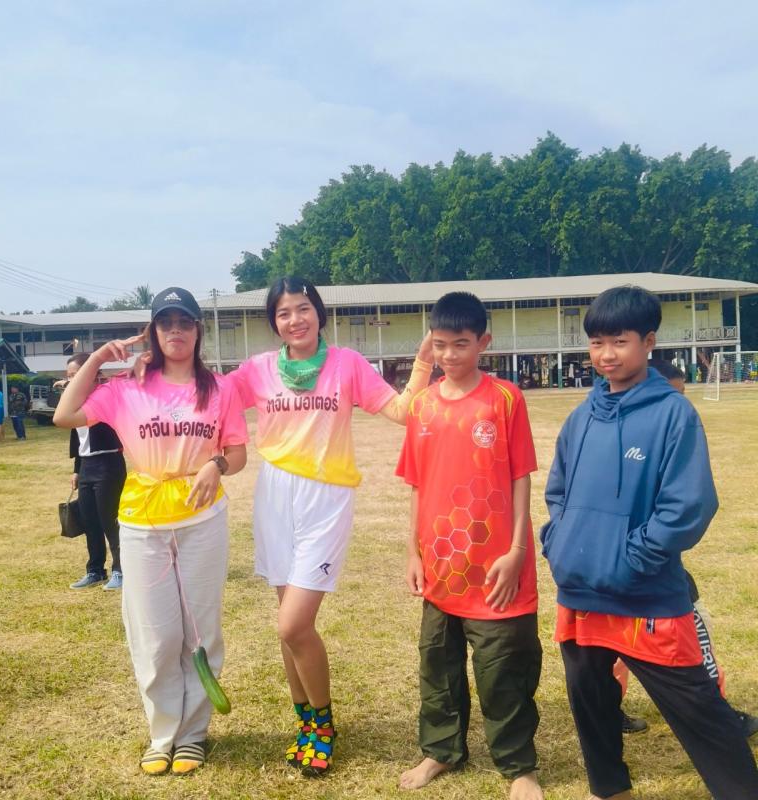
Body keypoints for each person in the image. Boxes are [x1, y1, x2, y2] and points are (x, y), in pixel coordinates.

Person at [541, 286, 758, 800]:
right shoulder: (581, 417)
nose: (606, 355)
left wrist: (630, 558)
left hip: (646, 594)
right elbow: (557, 492)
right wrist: (559, 541)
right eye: (597, 342)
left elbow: (688, 506)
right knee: (591, 702)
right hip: (581, 593)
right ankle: (608, 789)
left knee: (699, 708)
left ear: (649, 342)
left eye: (620, 341)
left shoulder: (673, 415)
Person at [226, 275, 435, 776]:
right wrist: (151, 372)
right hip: (275, 496)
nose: (294, 319)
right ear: (273, 322)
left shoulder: (347, 364)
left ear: (318, 313)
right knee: (288, 624)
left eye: (303, 308)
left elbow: (401, 411)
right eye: (283, 312)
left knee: (292, 624)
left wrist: (425, 361)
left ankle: (323, 724)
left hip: (326, 498)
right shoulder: (258, 369)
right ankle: (305, 724)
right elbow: (206, 396)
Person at [54, 286, 248, 776]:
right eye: (166, 323)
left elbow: (238, 452)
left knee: (199, 630)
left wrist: (217, 464)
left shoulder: (219, 388)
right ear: (153, 332)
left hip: (202, 519)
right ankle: (163, 734)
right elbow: (64, 415)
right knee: (156, 633)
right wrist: (98, 358)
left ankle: (193, 734)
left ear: (198, 330)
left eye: (184, 322)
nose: (175, 331)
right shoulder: (127, 388)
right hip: (143, 521)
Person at [395, 292, 542, 800]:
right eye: (440, 345)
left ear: (484, 342)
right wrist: (413, 552)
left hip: (497, 568)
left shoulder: (505, 399)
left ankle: (519, 766)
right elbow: (416, 484)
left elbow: (521, 476)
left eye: (461, 344)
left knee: (504, 673)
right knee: (437, 666)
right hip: (440, 568)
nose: (450, 355)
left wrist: (517, 550)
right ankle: (440, 750)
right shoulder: (422, 405)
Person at [614, 358, 758, 740]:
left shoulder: (667, 435)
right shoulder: (623, 435)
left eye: (683, 396)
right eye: (671, 395)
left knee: (618, 636)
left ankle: (610, 709)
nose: (680, 405)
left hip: (638, 562)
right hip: (638, 566)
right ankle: (715, 713)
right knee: (683, 631)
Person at [54, 353, 127, 590]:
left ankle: (120, 570)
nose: (72, 380)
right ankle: (95, 570)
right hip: (87, 465)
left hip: (109, 464)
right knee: (90, 521)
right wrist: (77, 470)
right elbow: (79, 439)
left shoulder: (104, 397)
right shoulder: (74, 405)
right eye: (69, 377)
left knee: (110, 520)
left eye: (77, 375)